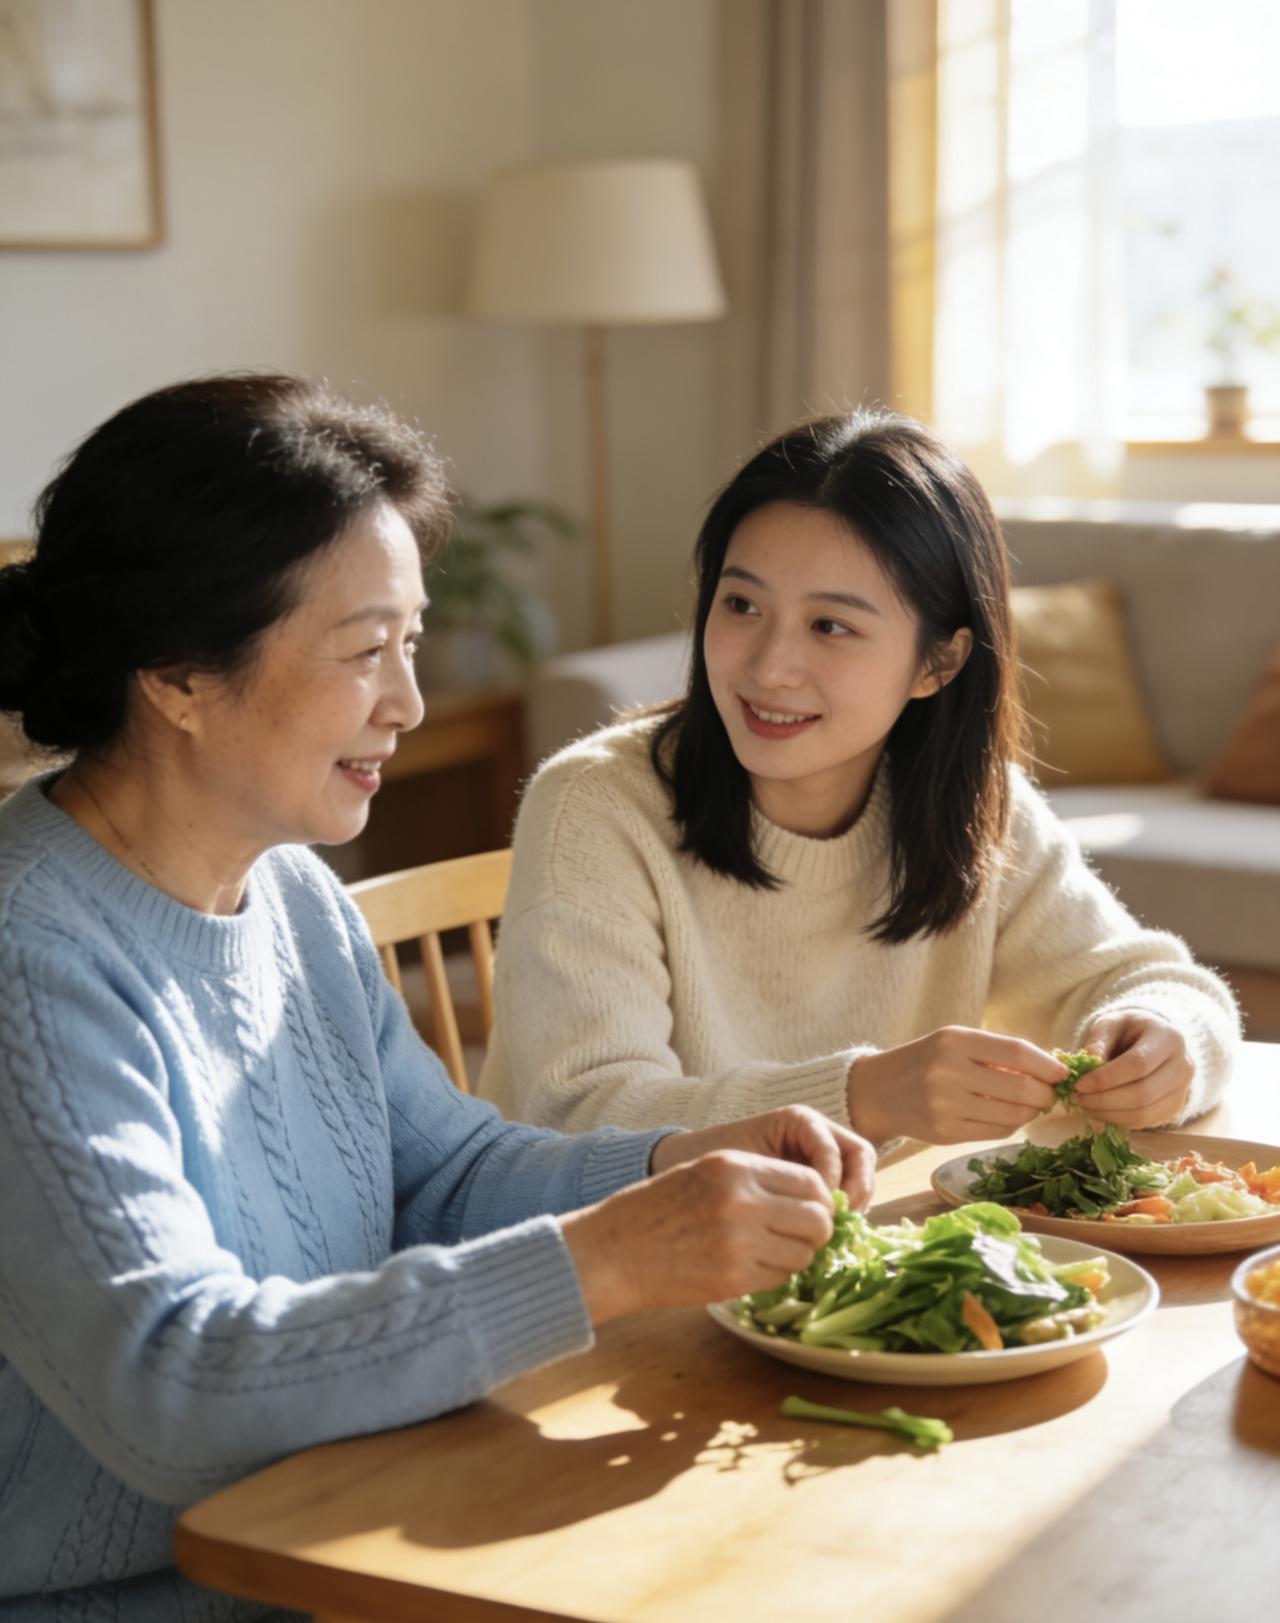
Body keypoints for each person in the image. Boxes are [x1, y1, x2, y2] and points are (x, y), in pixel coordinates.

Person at [0, 375, 877, 1622]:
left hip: (359, 1526)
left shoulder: (291, 895)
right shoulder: (31, 961)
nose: (407, 705)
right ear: (180, 676)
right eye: (365, 653)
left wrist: (677, 1165)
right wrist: (606, 1260)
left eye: (409, 644)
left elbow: (444, 1174)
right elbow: (172, 1383)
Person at [478, 410, 1240, 1145]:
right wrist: (866, 1096)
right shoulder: (595, 805)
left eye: (830, 625)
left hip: (866, 1252)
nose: (769, 667)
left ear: (938, 662)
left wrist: (1169, 1044)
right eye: (740, 603)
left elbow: (1146, 983)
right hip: (614, 1264)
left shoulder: (979, 807)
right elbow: (581, 1117)